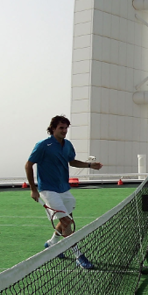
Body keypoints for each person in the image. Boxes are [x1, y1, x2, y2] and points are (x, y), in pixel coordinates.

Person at [25, 115, 103, 269]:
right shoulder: (43, 145)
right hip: (48, 189)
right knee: (67, 222)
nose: (64, 131)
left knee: (66, 219)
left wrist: (89, 165)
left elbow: (71, 161)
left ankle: (52, 244)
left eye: (66, 128)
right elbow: (28, 165)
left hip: (64, 188)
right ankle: (78, 255)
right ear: (53, 129)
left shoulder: (67, 145)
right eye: (61, 128)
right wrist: (33, 189)